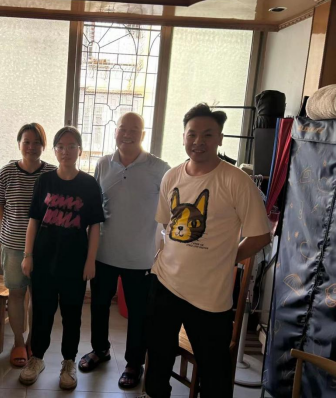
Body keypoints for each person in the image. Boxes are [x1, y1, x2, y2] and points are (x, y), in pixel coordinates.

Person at [143, 103, 271, 398]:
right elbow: (165, 224)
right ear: (183, 137)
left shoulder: (236, 180)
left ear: (220, 138)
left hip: (210, 295)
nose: (198, 141)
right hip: (165, 283)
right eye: (192, 134)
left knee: (214, 370)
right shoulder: (172, 176)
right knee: (158, 355)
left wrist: (228, 258)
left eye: (208, 134)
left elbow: (261, 235)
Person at [78, 112, 170, 389]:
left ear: (143, 134)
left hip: (140, 258)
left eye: (134, 129)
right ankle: (100, 349)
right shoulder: (103, 164)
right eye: (122, 128)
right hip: (104, 252)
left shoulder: (160, 168)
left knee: (138, 313)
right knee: (99, 305)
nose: (127, 134)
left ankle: (133, 363)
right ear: (115, 131)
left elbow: (170, 211)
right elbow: (95, 207)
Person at [19, 126, 105, 390]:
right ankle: (36, 358)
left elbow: (95, 227)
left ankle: (69, 362)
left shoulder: (89, 184)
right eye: (60, 147)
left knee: (72, 314)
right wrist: (28, 255)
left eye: (71, 146)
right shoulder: (44, 181)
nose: (65, 151)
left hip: (75, 262)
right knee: (42, 312)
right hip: (43, 259)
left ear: (80, 150)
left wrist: (90, 261)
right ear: (54, 151)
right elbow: (33, 221)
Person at [0, 123, 56, 367]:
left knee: (38, 297)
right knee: (17, 294)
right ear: (19, 144)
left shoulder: (51, 173)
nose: (31, 147)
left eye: (37, 142)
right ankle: (18, 341)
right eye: (26, 141)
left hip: (44, 248)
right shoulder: (7, 172)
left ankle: (32, 341)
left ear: (44, 145)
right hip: (13, 246)